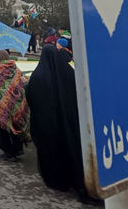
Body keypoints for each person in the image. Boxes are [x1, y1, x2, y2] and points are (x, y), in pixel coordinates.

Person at [25, 45, 96, 204]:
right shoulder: (68, 73)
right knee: (72, 151)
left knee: (52, 153)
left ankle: (57, 181)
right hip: (70, 123)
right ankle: (80, 183)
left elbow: (31, 99)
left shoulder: (38, 76)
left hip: (48, 127)